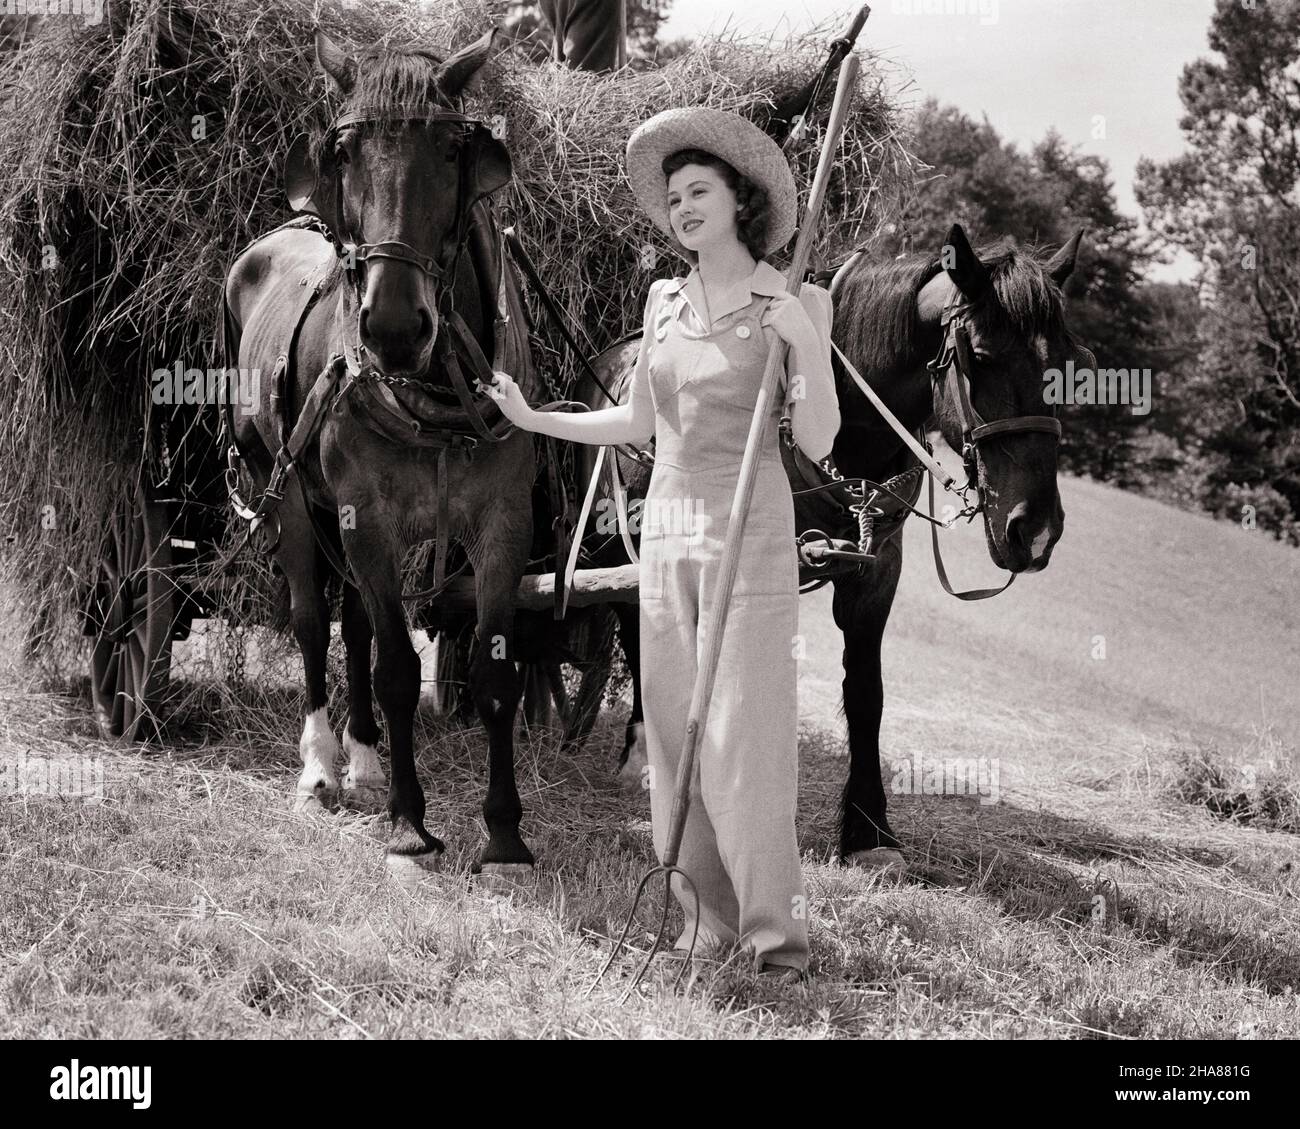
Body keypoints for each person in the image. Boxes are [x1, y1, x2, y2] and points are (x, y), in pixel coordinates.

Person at [486, 107, 839, 980]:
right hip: (670, 524)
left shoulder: (794, 300)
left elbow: (822, 441)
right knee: (677, 732)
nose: (682, 208)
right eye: (674, 196)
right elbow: (640, 421)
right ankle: (700, 922)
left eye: (699, 192)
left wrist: (809, 353)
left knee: (744, 735)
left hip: (750, 529)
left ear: (740, 200)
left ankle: (774, 941)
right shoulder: (663, 301)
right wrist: (536, 416)